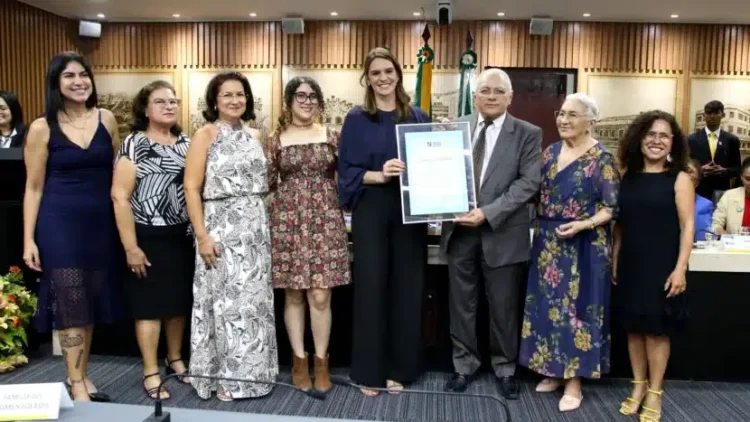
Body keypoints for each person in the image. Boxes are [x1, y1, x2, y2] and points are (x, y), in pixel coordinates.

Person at [23, 52, 123, 402]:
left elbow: (116, 174)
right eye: (69, 76)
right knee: (70, 300)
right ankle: (77, 382)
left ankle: (78, 373)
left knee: (89, 299)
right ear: (56, 83)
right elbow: (33, 187)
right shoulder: (41, 127)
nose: (79, 81)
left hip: (100, 223)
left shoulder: (107, 119)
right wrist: (28, 240)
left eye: (84, 75)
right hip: (59, 223)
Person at [441, 68, 542, 400]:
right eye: (485, 90)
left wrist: (488, 212)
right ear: (475, 96)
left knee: (503, 308)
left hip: (501, 232)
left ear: (510, 97)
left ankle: (505, 368)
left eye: (499, 91)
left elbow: (528, 183)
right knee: (462, 305)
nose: (492, 96)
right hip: (460, 233)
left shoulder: (527, 133)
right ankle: (464, 366)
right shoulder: (454, 128)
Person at [337, 47, 430, 396]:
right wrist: (380, 174)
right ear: (367, 78)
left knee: (407, 289)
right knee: (371, 288)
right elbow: (347, 174)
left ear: (398, 74)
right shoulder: (357, 118)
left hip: (412, 210)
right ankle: (368, 372)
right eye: (375, 73)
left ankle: (399, 369)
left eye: (388, 71)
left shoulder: (418, 116)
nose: (383, 78)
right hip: (372, 208)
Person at [519, 93, 618, 411]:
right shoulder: (549, 153)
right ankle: (552, 370)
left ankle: (574, 383)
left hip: (584, 244)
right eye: (561, 113)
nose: (563, 120)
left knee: (577, 313)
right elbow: (534, 193)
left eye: (572, 115)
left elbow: (610, 208)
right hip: (548, 242)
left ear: (591, 120)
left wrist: (584, 225)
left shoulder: (602, 159)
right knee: (547, 308)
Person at [184, 71, 278, 401]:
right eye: (227, 95)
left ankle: (254, 377)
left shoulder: (254, 134)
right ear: (214, 101)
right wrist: (202, 236)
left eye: (240, 95)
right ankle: (224, 379)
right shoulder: (205, 134)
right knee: (224, 305)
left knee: (254, 307)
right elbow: (192, 188)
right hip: (221, 228)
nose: (235, 100)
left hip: (254, 231)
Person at [266, 76, 350, 393]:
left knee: (320, 294)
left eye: (313, 96)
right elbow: (268, 184)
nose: (307, 101)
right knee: (293, 294)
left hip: (324, 221)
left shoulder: (332, 137)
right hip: (287, 224)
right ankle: (299, 361)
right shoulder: (274, 140)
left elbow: (345, 178)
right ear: (288, 102)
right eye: (300, 96)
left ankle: (321, 361)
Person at [111, 80, 193, 400]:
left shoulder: (186, 143)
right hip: (146, 236)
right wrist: (131, 247)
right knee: (149, 308)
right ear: (145, 109)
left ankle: (175, 360)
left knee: (176, 304)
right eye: (161, 102)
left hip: (180, 236)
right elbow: (119, 197)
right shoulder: (134, 144)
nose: (169, 106)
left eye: (173, 101)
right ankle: (150, 371)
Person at [613, 110, 693, 422]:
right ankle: (637, 387)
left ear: (673, 143)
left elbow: (688, 227)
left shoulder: (680, 178)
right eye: (650, 134)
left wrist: (681, 269)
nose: (656, 141)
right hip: (632, 262)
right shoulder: (626, 176)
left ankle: (655, 392)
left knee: (657, 332)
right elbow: (620, 225)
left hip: (663, 265)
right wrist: (616, 255)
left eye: (663, 135)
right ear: (639, 139)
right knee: (634, 328)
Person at [688, 100, 741, 201]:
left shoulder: (732, 140)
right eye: (709, 113)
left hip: (722, 193)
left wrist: (724, 171)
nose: (712, 116)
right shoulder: (691, 140)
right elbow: (685, 167)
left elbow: (737, 169)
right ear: (704, 115)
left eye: (716, 113)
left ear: (723, 115)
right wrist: (700, 170)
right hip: (697, 192)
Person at [711, 157, 750, 235]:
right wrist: (728, 238)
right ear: (741, 177)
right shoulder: (729, 196)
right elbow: (716, 224)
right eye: (748, 179)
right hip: (735, 245)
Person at [685, 159, 715, 241]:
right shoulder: (664, 201)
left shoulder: (704, 205)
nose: (685, 180)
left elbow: (705, 237)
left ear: (697, 183)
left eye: (691, 179)